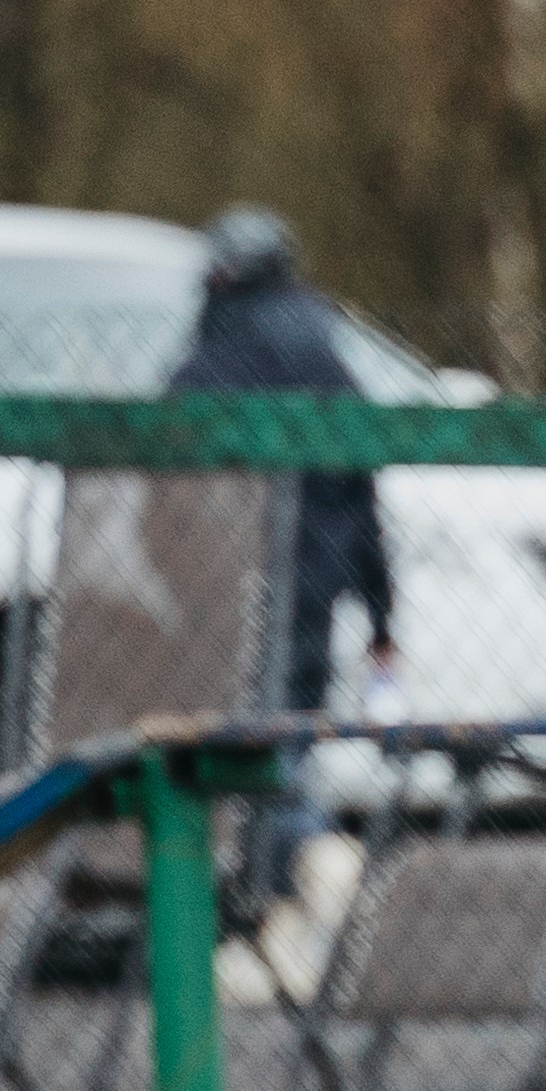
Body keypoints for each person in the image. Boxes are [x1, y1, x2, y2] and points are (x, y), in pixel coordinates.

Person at [165, 210, 395, 950]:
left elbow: (166, 486)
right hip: (313, 591)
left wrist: (181, 579)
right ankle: (298, 900)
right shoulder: (324, 347)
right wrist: (383, 612)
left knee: (248, 754)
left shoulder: (215, 348)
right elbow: (363, 493)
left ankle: (308, 882)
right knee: (287, 738)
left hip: (224, 596)